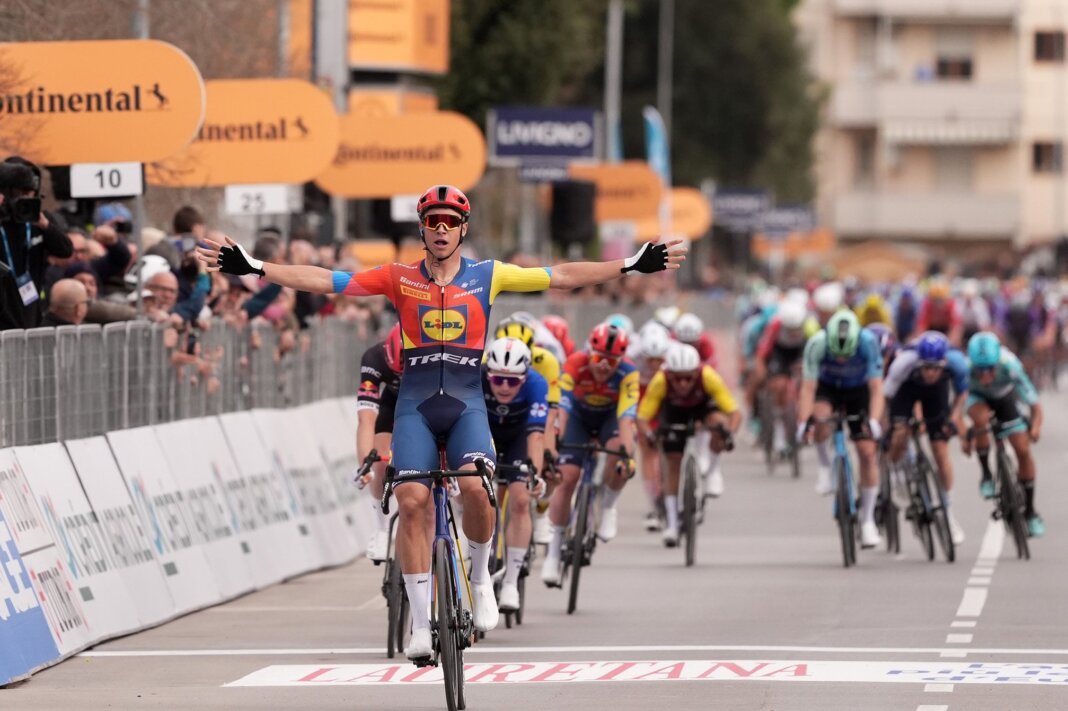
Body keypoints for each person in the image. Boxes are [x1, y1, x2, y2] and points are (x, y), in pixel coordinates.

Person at [197, 183, 686, 660]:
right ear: (423, 229)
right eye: (433, 221)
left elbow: (559, 275)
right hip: (415, 406)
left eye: (451, 222)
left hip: (467, 403)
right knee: (411, 502)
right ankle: (417, 620)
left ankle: (479, 581)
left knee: (476, 487)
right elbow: (327, 280)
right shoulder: (397, 277)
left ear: (462, 229)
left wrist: (630, 263)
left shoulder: (489, 275)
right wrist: (256, 267)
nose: (442, 229)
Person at [541, 322, 640, 586]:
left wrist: (627, 456)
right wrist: (558, 441)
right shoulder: (575, 363)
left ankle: (608, 506)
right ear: (589, 352)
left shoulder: (629, 373)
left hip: (610, 418)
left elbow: (627, 417)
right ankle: (553, 551)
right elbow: (562, 406)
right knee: (567, 477)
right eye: (598, 359)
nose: (604, 367)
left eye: (612, 361)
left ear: (621, 359)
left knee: (620, 457)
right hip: (578, 418)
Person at [797, 310, 885, 547]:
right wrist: (804, 422)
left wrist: (874, 421)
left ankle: (868, 521)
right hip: (828, 388)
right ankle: (825, 466)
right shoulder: (817, 343)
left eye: (847, 356)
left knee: (867, 452)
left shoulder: (868, 342)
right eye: (837, 356)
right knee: (821, 419)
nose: (842, 361)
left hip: (859, 391)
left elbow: (877, 389)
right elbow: (807, 389)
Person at [637, 344, 740, 546]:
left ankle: (712, 471)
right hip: (673, 412)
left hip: (703, 407)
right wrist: (649, 434)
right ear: (670, 374)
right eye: (678, 378)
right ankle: (672, 525)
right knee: (672, 462)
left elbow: (734, 412)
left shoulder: (708, 376)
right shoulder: (661, 380)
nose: (683, 383)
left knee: (719, 425)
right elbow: (642, 417)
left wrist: (729, 435)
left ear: (696, 372)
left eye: (688, 378)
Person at [882, 331, 968, 545]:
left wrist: (953, 418)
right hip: (906, 390)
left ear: (943, 363)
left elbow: (962, 395)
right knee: (900, 433)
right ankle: (897, 476)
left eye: (935, 368)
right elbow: (886, 396)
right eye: (926, 367)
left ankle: (948, 513)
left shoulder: (957, 363)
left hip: (935, 395)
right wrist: (888, 427)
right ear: (919, 363)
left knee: (940, 450)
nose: (930, 373)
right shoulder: (904, 363)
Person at [482, 337, 548, 611]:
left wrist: (535, 474)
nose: (505, 387)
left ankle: (510, 583)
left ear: (525, 376)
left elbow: (536, 435)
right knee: (477, 492)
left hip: (519, 437)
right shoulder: (476, 377)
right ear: (488, 375)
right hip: (486, 433)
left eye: (512, 381)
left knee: (521, 500)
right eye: (498, 380)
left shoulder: (537, 384)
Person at [961, 332, 1045, 537]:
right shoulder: (965, 369)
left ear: (997, 362)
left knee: (1022, 449)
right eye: (980, 371)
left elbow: (1035, 404)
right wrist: (964, 435)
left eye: (990, 369)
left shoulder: (1010, 365)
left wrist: (1035, 428)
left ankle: (1031, 511)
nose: (985, 376)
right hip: (977, 397)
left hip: (1005, 397)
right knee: (980, 422)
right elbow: (956, 410)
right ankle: (986, 475)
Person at [0, 160, 73, 330]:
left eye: (29, 193)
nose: (25, 199)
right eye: (20, 193)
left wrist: (44, 225)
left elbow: (65, 250)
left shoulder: (39, 220)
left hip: (31, 311)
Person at [355, 323, 403, 562]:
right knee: (381, 462)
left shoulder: (433, 355)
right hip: (392, 404)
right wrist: (366, 463)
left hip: (429, 404)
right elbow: (366, 419)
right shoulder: (374, 358)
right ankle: (382, 528)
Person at [752, 298, 808, 456]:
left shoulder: (810, 326)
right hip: (779, 354)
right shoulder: (774, 326)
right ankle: (778, 432)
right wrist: (762, 372)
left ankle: (800, 421)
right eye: (789, 329)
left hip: (799, 352)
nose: (792, 332)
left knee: (806, 384)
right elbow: (761, 354)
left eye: (796, 329)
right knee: (779, 385)